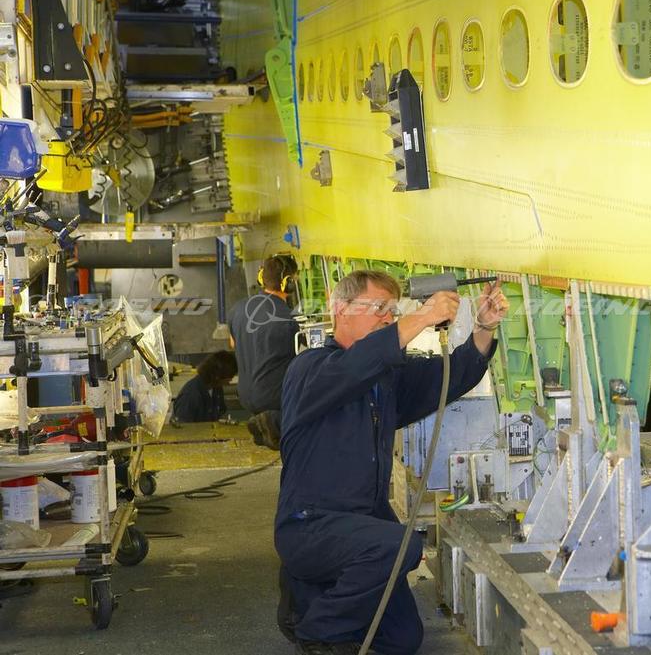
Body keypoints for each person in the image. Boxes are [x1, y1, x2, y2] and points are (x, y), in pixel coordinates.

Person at [275, 270, 508, 655]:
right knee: (399, 546)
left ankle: (312, 595)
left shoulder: (384, 380)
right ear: (340, 309)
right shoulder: (310, 370)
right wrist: (422, 316)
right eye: (379, 308)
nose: (387, 317)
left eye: (393, 310)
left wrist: (483, 327)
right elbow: (355, 367)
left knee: (402, 639)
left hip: (363, 526)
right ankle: (317, 631)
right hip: (310, 526)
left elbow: (450, 375)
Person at [228, 255, 299, 449]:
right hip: (274, 399)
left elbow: (233, 343)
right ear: (288, 283)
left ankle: (269, 425)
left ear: (261, 278)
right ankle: (275, 423)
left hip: (246, 395)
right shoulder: (289, 319)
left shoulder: (238, 309)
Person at [172, 350, 237, 423]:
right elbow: (182, 426)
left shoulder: (216, 388)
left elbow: (220, 412)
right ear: (217, 377)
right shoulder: (190, 396)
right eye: (229, 377)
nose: (230, 381)